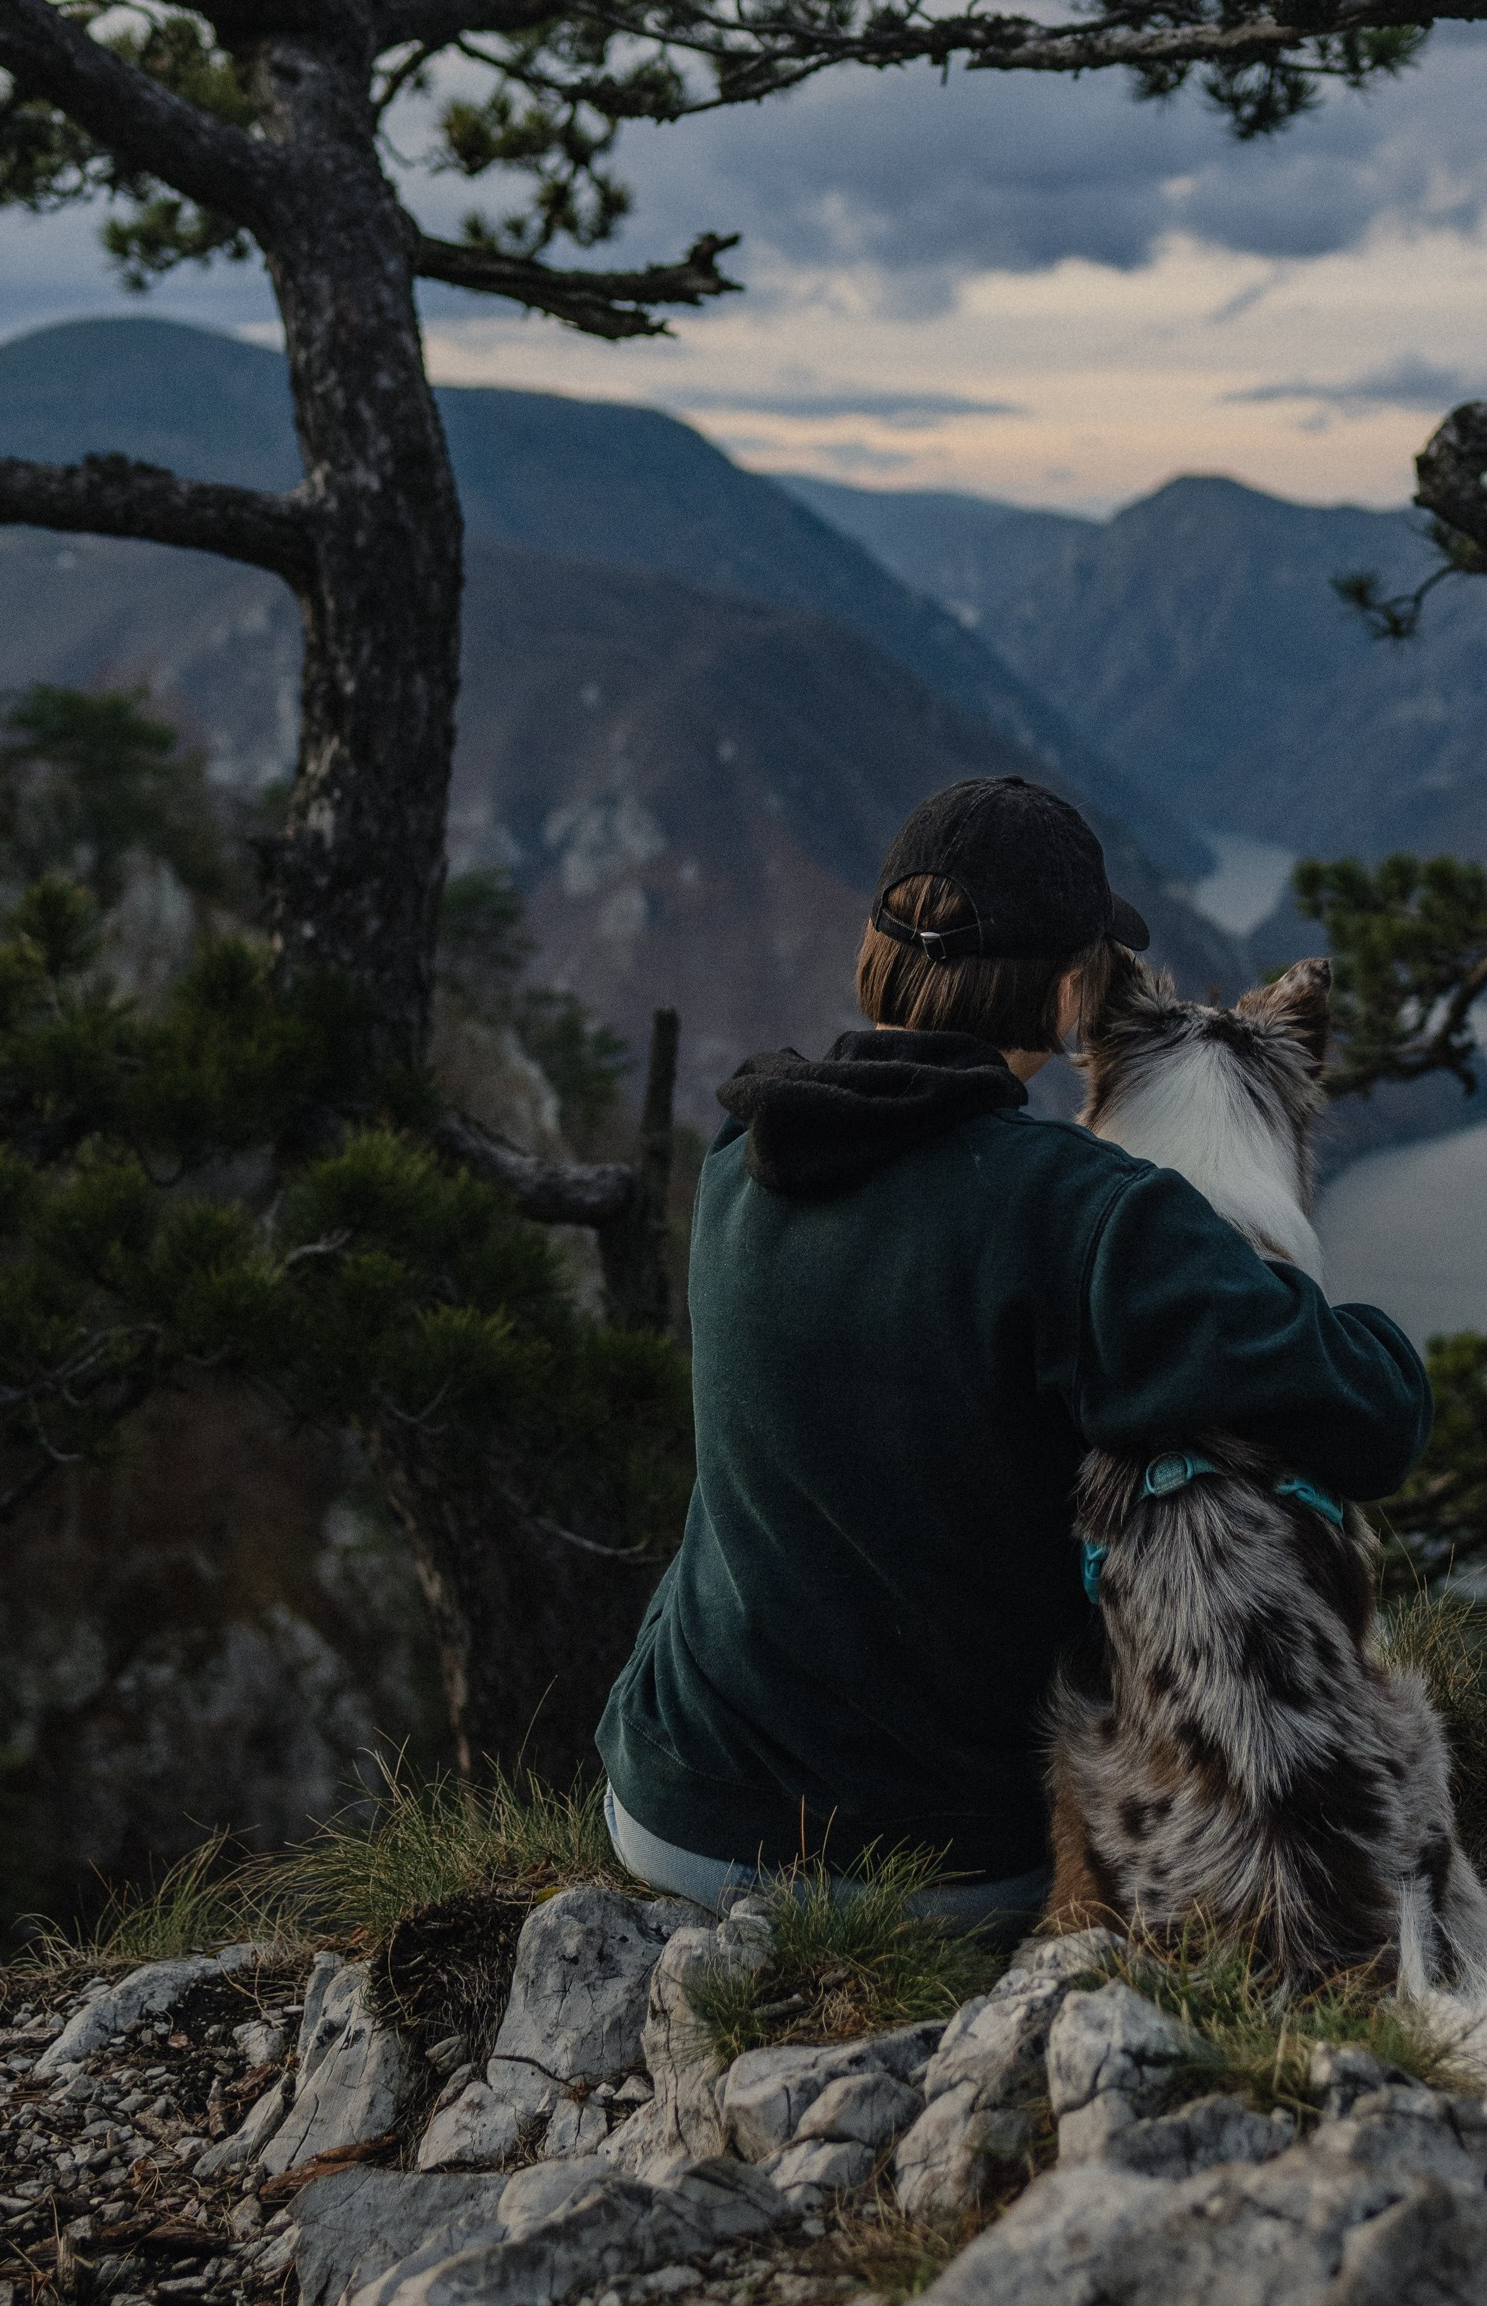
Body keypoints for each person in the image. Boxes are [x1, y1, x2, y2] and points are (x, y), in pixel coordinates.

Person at [595, 774, 1430, 1928]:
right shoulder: (1086, 1218)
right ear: (1073, 993)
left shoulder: (745, 1155)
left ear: (873, 959)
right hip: (925, 1864)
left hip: (667, 1805)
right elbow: (1374, 1413)